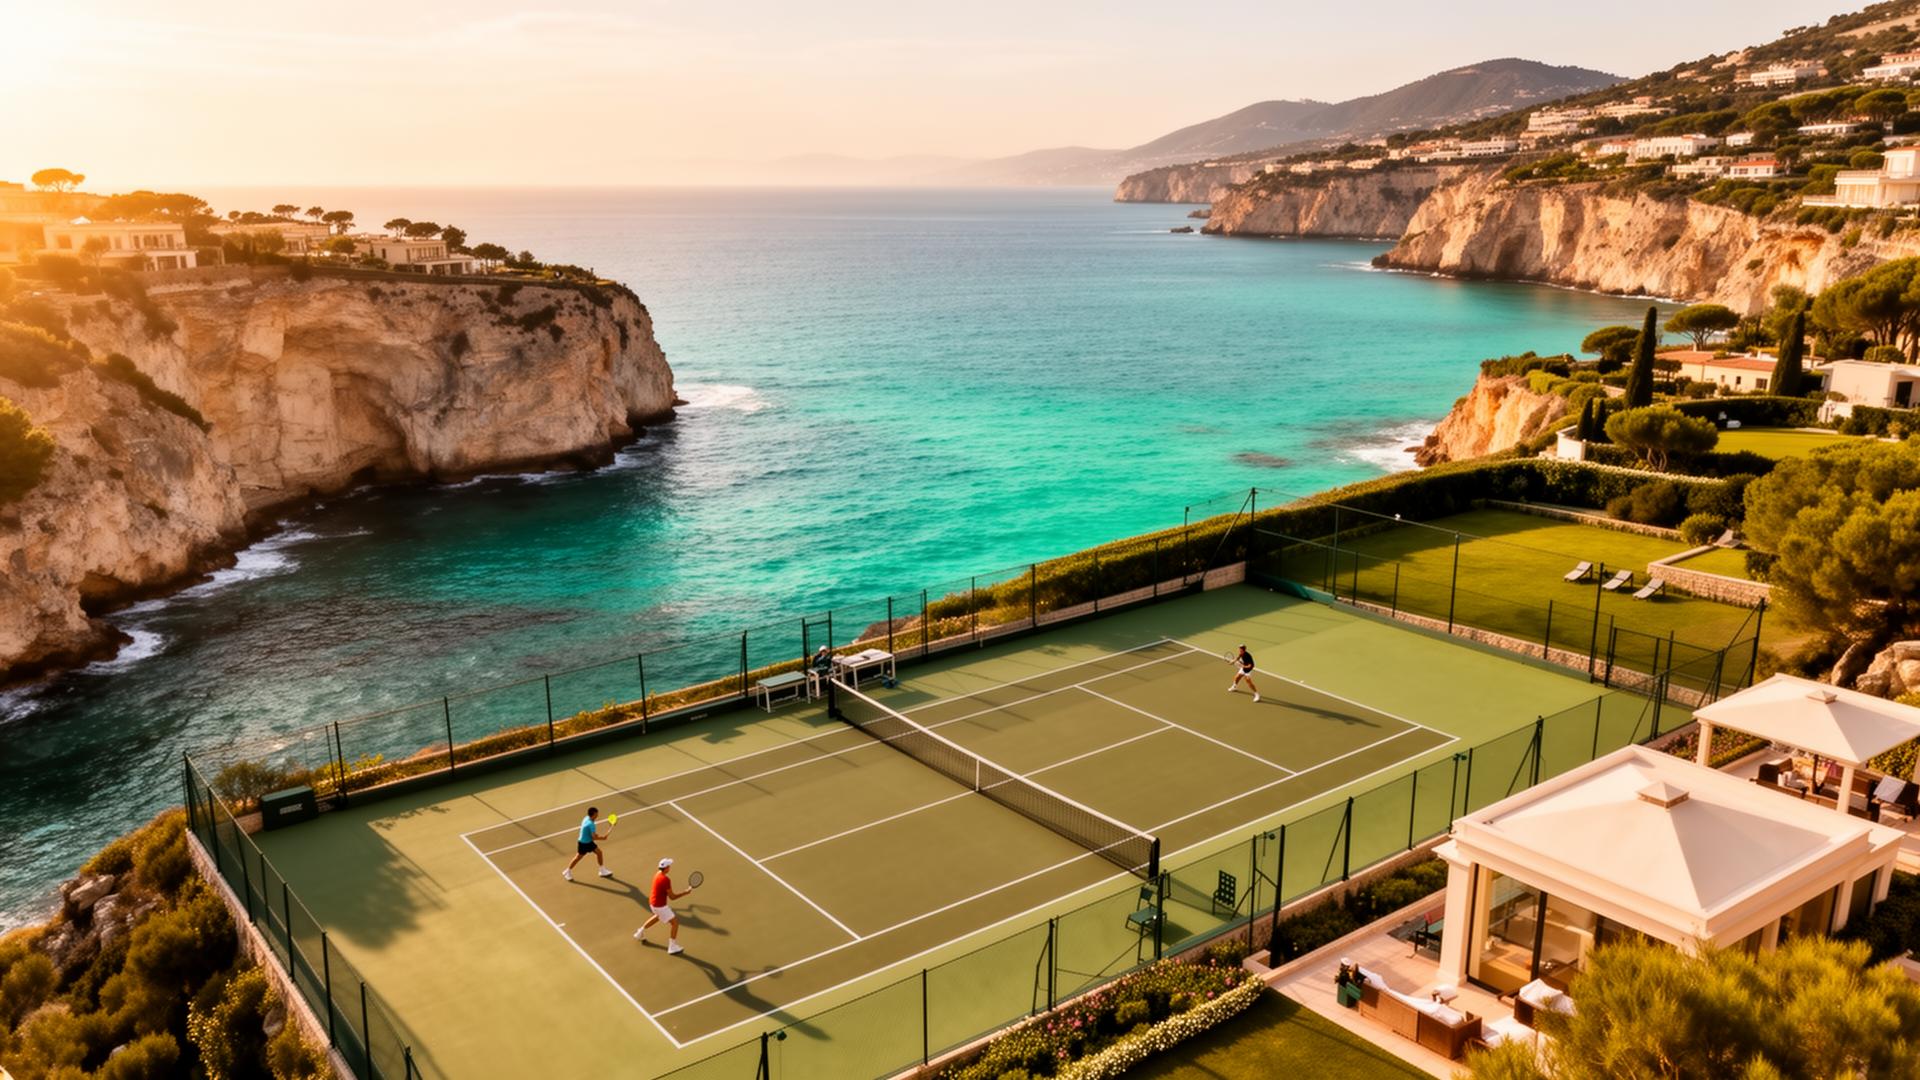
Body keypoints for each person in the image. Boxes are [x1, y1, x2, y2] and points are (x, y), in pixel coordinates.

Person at [635, 857, 689, 955]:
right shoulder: (666, 879)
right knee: (675, 923)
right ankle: (672, 947)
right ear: (667, 868)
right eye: (669, 866)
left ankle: (640, 932)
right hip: (660, 906)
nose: (670, 867)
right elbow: (672, 897)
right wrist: (685, 893)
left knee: (657, 917)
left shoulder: (657, 874)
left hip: (652, 903)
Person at [563, 807, 614, 882]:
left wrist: (595, 835)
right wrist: (602, 838)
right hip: (584, 843)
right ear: (592, 815)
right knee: (578, 858)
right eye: (596, 814)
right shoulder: (591, 824)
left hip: (587, 841)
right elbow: (593, 837)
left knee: (599, 853)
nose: (598, 815)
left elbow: (589, 833)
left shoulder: (586, 818)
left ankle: (602, 870)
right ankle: (567, 871)